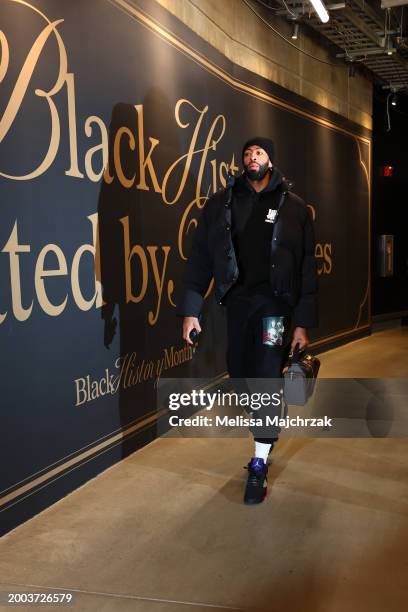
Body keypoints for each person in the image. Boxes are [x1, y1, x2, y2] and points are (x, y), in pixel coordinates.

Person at [177, 137, 318, 504]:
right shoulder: (220, 204)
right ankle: (265, 419)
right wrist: (191, 310)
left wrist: (301, 323)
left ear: (271, 160)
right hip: (237, 305)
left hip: (275, 307)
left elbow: (307, 270)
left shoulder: (296, 209)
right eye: (246, 153)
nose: (251, 156)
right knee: (240, 374)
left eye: (259, 151)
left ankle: (259, 460)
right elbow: (200, 258)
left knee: (266, 375)